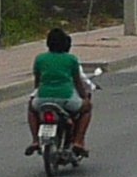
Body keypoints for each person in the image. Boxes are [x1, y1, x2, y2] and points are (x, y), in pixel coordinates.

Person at [28, 26, 96, 155]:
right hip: (66, 99)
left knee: (31, 108)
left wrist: (38, 92)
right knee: (87, 108)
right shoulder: (71, 59)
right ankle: (78, 141)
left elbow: (37, 81)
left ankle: (35, 140)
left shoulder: (40, 58)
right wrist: (84, 98)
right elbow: (78, 82)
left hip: (43, 99)